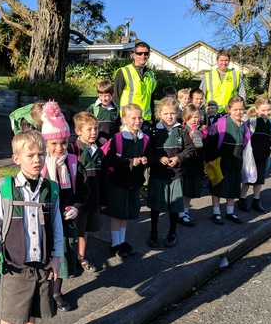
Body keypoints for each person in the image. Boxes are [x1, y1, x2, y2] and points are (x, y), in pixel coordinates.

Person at [0, 130, 63, 324]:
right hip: (14, 263)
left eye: (41, 154)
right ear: (17, 158)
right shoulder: (7, 188)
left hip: (41, 263)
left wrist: (56, 257)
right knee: (10, 310)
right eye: (30, 155)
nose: (37, 159)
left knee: (33, 307)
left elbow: (57, 226)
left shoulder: (51, 190)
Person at [40, 101, 89, 312]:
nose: (59, 148)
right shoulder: (40, 164)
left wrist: (76, 207)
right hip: (44, 220)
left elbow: (84, 190)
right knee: (44, 255)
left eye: (63, 143)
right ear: (45, 144)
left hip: (66, 218)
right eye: (54, 144)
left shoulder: (74, 162)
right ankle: (42, 291)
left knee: (61, 255)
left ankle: (57, 291)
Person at [102, 104, 150, 257]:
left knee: (126, 214)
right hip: (118, 182)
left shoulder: (144, 138)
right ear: (124, 119)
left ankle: (122, 241)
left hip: (134, 182)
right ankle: (115, 243)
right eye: (133, 118)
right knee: (118, 214)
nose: (138, 121)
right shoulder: (117, 139)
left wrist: (144, 160)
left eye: (140, 117)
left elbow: (150, 156)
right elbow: (110, 160)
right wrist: (130, 162)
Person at [146, 98, 195, 248]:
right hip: (158, 174)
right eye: (166, 113)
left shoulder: (182, 130)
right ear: (160, 113)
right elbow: (148, 151)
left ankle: (172, 232)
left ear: (178, 113)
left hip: (176, 175)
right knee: (155, 206)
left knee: (174, 206)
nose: (169, 116)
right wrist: (158, 158)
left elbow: (190, 150)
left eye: (172, 113)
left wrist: (178, 158)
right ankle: (153, 231)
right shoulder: (154, 131)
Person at [204, 95, 250, 225]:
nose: (238, 112)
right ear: (229, 109)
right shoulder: (221, 124)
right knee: (217, 188)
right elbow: (210, 143)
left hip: (236, 162)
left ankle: (230, 212)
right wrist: (209, 159)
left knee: (233, 189)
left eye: (241, 109)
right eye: (235, 109)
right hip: (220, 162)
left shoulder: (244, 126)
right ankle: (216, 212)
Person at [68, 112, 103, 274]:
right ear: (78, 131)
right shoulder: (73, 149)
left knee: (85, 230)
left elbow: (104, 176)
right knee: (74, 229)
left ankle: (81, 256)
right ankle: (69, 258)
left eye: (95, 128)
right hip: (78, 199)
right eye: (89, 129)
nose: (94, 132)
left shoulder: (99, 150)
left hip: (93, 197)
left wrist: (104, 197)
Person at [238, 96, 271, 213]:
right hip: (250, 157)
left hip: (263, 157)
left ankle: (256, 200)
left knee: (259, 180)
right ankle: (242, 199)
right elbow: (242, 136)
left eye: (269, 110)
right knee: (247, 179)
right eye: (263, 110)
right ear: (257, 110)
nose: (266, 113)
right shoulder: (252, 122)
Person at [113, 41, 158, 129]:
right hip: (128, 120)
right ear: (133, 55)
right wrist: (117, 119)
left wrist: (152, 118)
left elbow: (151, 98)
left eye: (146, 53)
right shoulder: (123, 72)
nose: (143, 56)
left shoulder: (151, 74)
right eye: (139, 53)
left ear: (149, 55)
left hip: (145, 120)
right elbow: (116, 98)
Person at [179, 104, 207, 227]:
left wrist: (203, 138)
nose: (195, 120)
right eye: (191, 118)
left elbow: (203, 148)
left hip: (196, 164)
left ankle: (185, 211)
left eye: (197, 117)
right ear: (185, 118)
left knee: (190, 191)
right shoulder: (182, 130)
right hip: (186, 166)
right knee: (184, 190)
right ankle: (180, 213)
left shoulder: (200, 131)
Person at [200, 50, 246, 114]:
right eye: (221, 60)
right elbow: (201, 95)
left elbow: (242, 94)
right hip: (212, 112)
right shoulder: (208, 76)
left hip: (230, 112)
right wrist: (203, 109)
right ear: (217, 61)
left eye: (226, 60)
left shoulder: (236, 75)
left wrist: (241, 108)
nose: (224, 63)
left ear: (229, 61)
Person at [86, 79, 120, 146]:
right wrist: (98, 137)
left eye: (106, 95)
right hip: (95, 144)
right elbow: (86, 126)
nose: (103, 98)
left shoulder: (116, 110)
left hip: (110, 145)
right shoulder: (93, 108)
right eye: (100, 95)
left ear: (112, 94)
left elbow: (117, 128)